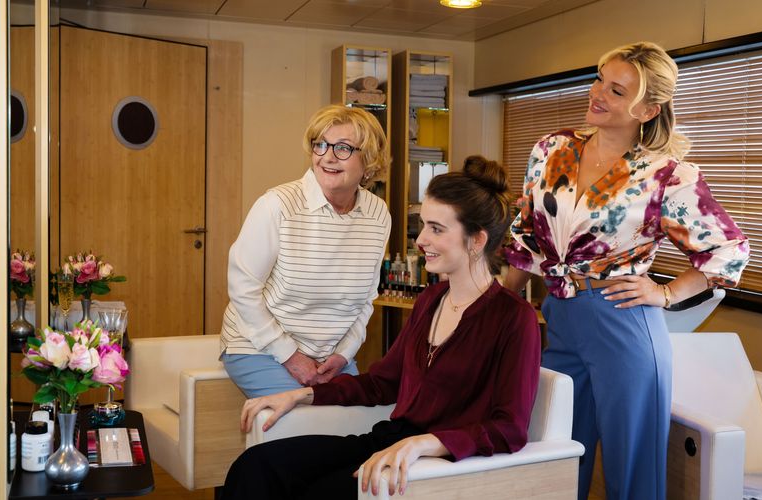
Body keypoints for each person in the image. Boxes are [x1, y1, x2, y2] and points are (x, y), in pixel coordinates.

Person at [504, 42, 750, 500]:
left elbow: (728, 249)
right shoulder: (552, 149)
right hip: (558, 317)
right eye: (600, 80)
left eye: (616, 91)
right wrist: (500, 303)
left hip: (622, 320)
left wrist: (666, 293)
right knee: (553, 459)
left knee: (631, 470)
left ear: (648, 110)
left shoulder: (665, 175)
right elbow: (526, 236)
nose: (597, 93)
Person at [221, 156, 542, 500]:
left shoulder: (513, 317)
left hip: (436, 463)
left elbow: (509, 429)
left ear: (476, 240)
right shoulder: (431, 300)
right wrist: (305, 394)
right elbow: (382, 383)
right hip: (389, 440)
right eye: (423, 225)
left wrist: (424, 444)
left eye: (436, 229)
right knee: (257, 465)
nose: (421, 240)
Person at [220, 104, 392, 398]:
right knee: (308, 417)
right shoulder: (278, 205)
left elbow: (366, 299)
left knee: (360, 420)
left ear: (370, 160)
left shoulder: (378, 214)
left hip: (331, 359)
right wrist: (289, 355)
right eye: (320, 145)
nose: (327, 157)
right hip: (259, 349)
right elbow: (243, 289)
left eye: (342, 148)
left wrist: (345, 354)